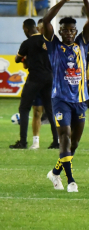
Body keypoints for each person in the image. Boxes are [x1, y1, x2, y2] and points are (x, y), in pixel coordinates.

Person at [44, 0, 89, 193]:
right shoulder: (54, 45)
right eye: (64, 30)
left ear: (75, 32)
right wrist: (64, 0)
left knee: (73, 144)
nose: (68, 33)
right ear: (60, 31)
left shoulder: (82, 43)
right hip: (60, 100)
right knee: (63, 136)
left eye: (71, 30)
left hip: (80, 100)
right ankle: (70, 180)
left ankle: (55, 172)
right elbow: (46, 21)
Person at [9, 18, 58, 150]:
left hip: (35, 78)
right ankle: (56, 141)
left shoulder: (27, 43)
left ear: (26, 29)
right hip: (49, 78)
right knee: (50, 109)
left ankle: (23, 142)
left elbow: (18, 59)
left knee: (24, 108)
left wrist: (22, 56)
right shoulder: (48, 41)